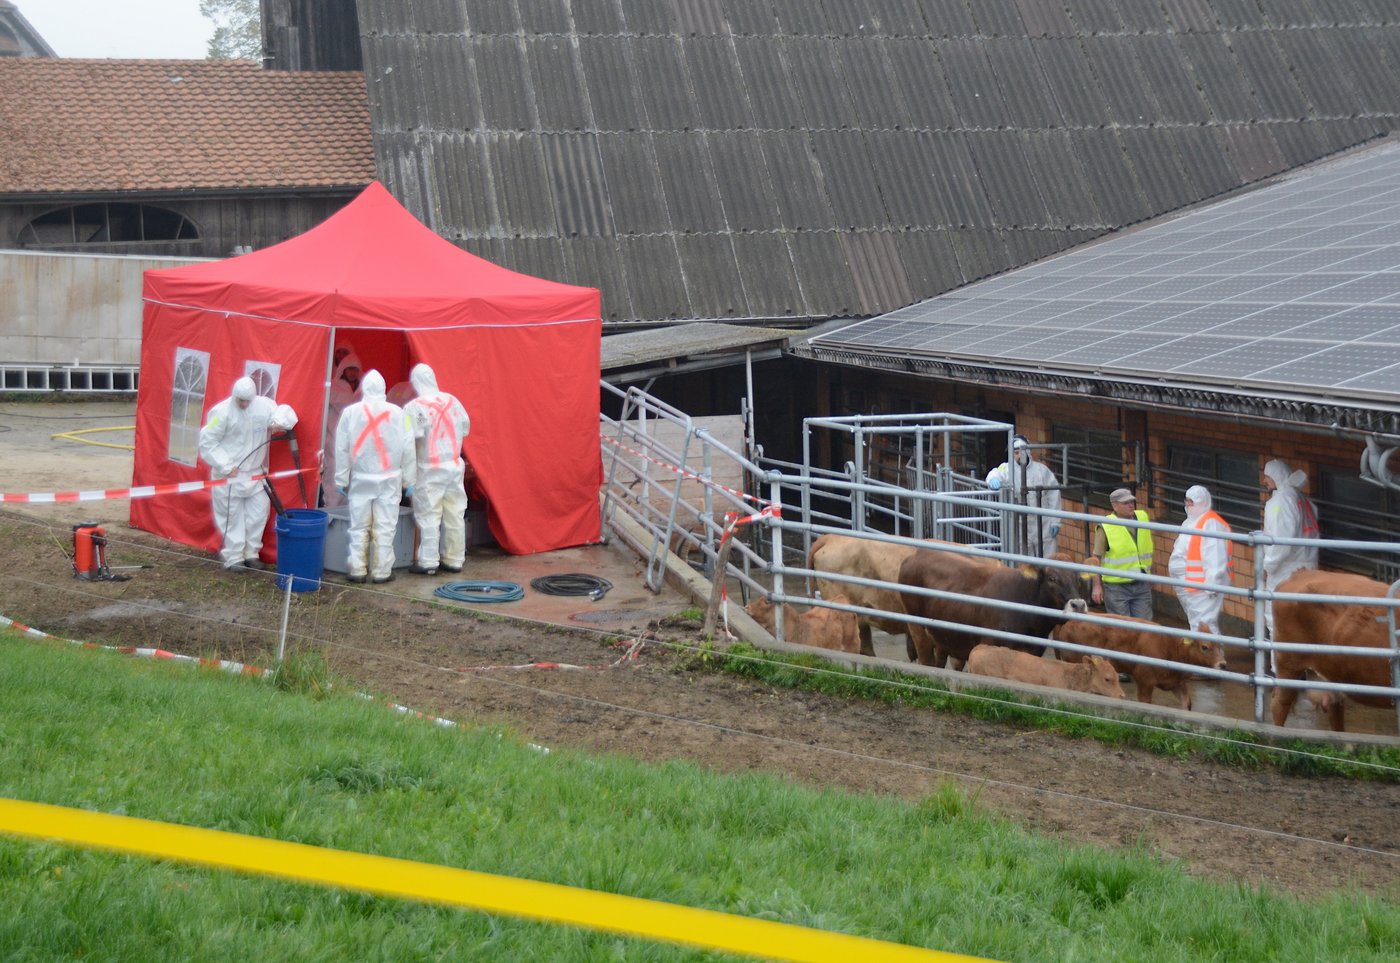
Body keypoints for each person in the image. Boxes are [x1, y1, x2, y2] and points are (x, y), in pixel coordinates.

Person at [198, 376, 298, 571]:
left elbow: (287, 412)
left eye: (247, 401)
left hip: (256, 473)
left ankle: (252, 553)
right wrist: (225, 465)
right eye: (240, 400)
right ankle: (234, 556)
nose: (244, 404)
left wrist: (279, 422)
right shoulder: (221, 412)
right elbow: (207, 441)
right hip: (229, 475)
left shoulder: (264, 406)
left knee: (258, 514)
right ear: (234, 396)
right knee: (231, 516)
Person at [334, 369, 416, 584]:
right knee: (386, 526)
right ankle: (382, 571)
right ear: (384, 389)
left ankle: (357, 569)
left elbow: (341, 448)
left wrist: (341, 478)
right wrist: (410, 480)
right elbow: (409, 447)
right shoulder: (401, 414)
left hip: (361, 478)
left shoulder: (350, 413)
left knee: (359, 526)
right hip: (390, 479)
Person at [403, 363, 472, 576]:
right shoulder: (454, 401)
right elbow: (466, 428)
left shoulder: (413, 407)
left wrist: (408, 478)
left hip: (429, 469)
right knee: (455, 514)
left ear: (415, 382)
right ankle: (454, 559)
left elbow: (408, 440)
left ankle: (428, 561)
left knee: (429, 515)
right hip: (452, 466)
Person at [1261, 458, 1321, 638]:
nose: (1264, 481)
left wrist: (1268, 566)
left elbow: (1281, 542)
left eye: (1267, 476)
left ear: (1277, 477)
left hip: (1285, 571)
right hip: (1308, 568)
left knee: (1278, 620)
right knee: (1304, 621)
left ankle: (1278, 665)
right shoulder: (1303, 501)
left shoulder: (1280, 503)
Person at [1168, 485, 1233, 635]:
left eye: (1192, 501)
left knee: (1204, 623)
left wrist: (1212, 585)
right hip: (1190, 583)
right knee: (1197, 621)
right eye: (1187, 501)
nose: (1188, 505)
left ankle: (1214, 657)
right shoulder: (1191, 522)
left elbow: (1215, 556)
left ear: (1203, 501)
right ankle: (1203, 656)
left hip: (1203, 585)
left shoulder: (1210, 523)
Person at [986, 434, 1062, 557]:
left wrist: (1055, 522)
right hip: (1020, 524)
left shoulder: (1041, 470)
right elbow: (994, 473)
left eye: (1021, 452)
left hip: (1043, 523)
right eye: (1015, 453)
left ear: (1028, 452)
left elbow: (1054, 495)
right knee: (1025, 561)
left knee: (1049, 560)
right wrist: (993, 480)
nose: (1019, 456)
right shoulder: (1007, 469)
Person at [1087, 487, 1154, 619]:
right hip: (1116, 587)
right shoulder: (1106, 526)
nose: (1130, 505)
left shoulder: (1142, 517)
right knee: (1122, 630)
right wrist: (1096, 586)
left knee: (1145, 627)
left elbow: (1146, 546)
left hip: (1141, 583)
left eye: (1131, 502)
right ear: (1115, 506)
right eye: (1125, 503)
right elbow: (1096, 558)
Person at [321, 350, 362, 508]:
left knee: (353, 484)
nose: (352, 373)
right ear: (343, 369)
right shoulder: (333, 387)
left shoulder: (362, 389)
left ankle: (345, 521)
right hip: (335, 443)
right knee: (334, 483)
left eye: (355, 369)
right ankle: (331, 516)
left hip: (356, 445)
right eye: (350, 369)